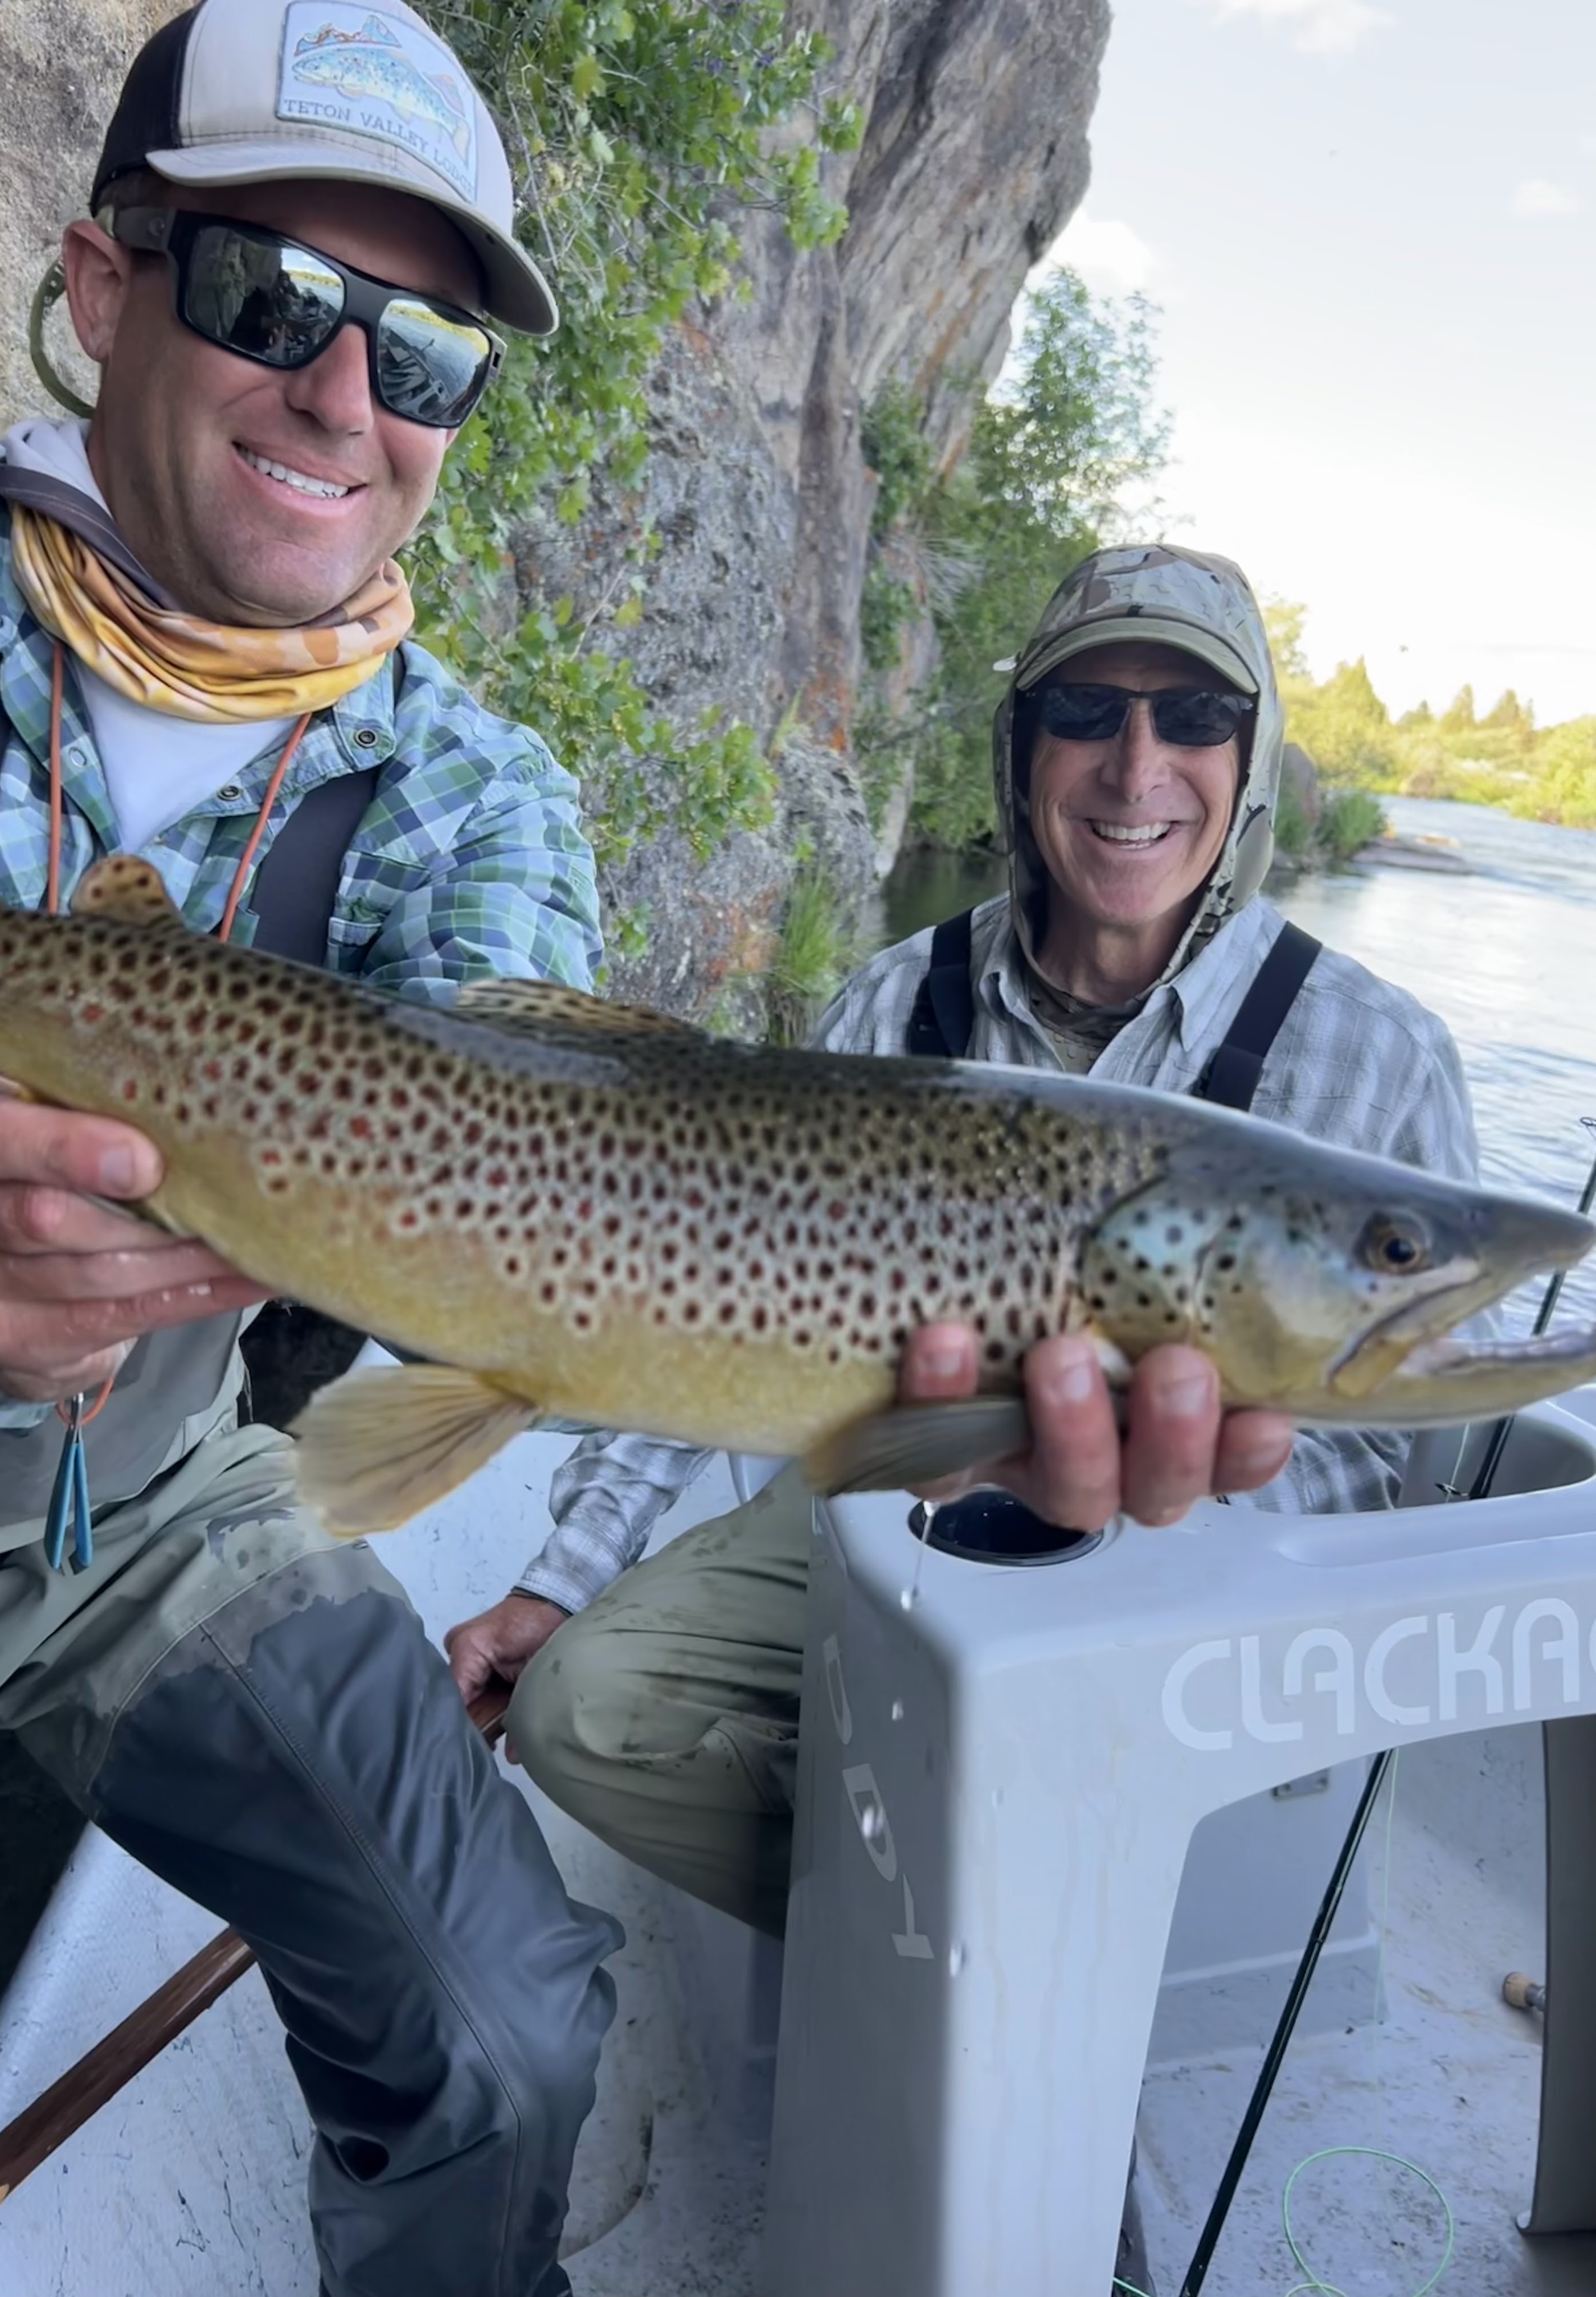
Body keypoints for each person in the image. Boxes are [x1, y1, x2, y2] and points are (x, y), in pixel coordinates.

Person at [0, 5, 625, 2291]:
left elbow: (544, 1164)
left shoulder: (478, 801)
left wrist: (962, 1438)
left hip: (162, 1502)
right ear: (105, 286)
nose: (344, 398)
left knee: (507, 2031)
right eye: (269, 299)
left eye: (424, 361)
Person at [448, 542, 1482, 1932]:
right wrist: (555, 1581)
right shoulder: (890, 1006)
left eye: (1191, 719)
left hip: (1200, 1592)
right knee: (581, 1717)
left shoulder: (1382, 1057)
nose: (1135, 767)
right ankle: (924, 1927)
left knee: (1058, 1769)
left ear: (1251, 760)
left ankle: (988, 1901)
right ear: (1021, 747)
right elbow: (707, 1311)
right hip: (891, 1527)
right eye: (1084, 712)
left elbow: (1404, 1462)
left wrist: (1130, 1506)